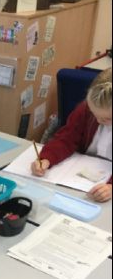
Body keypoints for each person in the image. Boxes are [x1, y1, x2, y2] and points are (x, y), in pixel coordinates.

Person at [31, 67, 112, 203]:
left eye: (107, 119)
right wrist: (46, 158)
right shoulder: (85, 109)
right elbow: (66, 138)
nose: (98, 121)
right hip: (80, 180)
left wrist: (110, 187)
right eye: (95, 114)